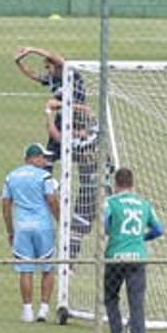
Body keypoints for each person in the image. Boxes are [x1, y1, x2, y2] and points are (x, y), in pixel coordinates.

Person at [103, 166, 164, 333]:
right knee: (136, 304)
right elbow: (159, 229)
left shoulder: (110, 203)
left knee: (111, 297)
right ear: (132, 184)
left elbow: (104, 226)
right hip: (138, 258)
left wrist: (114, 234)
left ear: (116, 183)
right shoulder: (144, 204)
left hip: (115, 258)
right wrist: (141, 237)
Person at [3, 142, 60, 322]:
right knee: (48, 268)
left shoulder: (11, 177)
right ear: (33, 158)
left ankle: (27, 310)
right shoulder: (45, 177)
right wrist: (61, 220)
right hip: (43, 226)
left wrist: (10, 230)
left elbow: (5, 205)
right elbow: (51, 200)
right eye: (42, 157)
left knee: (25, 270)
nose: (45, 161)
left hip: (22, 227)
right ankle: (43, 309)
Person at [46, 103, 102, 260]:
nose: (74, 133)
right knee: (107, 225)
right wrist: (71, 106)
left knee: (77, 228)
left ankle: (69, 264)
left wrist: (49, 112)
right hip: (106, 186)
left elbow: (53, 133)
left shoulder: (74, 144)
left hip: (89, 191)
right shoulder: (95, 133)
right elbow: (90, 111)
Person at [16, 45, 86, 116]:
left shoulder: (68, 73)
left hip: (77, 113)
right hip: (62, 114)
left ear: (56, 66)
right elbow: (33, 74)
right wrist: (18, 62)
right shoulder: (51, 78)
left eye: (48, 67)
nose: (47, 70)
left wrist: (32, 50)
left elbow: (53, 56)